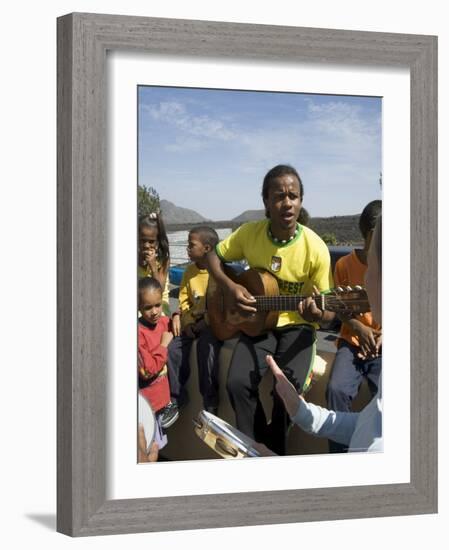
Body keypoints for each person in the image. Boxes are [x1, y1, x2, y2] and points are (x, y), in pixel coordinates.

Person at [205, 164, 334, 454]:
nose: (287, 203)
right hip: (259, 324)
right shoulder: (250, 233)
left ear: (301, 201)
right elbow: (213, 255)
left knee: (287, 394)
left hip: (298, 326)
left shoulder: (316, 248)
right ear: (265, 201)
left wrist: (318, 314)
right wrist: (228, 286)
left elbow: (329, 312)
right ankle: (250, 448)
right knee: (237, 383)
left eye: (294, 196)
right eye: (279, 196)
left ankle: (273, 455)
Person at [266, 214, 383, 453]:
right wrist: (301, 411)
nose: (364, 280)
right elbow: (369, 425)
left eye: (371, 268)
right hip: (350, 343)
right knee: (337, 389)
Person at [326, 200, 382, 452]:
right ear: (371, 233)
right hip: (351, 343)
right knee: (336, 390)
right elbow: (337, 307)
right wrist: (359, 328)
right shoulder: (344, 265)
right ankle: (342, 458)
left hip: (383, 345)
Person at [167, 226, 222, 413]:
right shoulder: (189, 272)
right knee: (173, 349)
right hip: (192, 323)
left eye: (192, 245)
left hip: (210, 324)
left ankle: (210, 402)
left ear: (206, 248)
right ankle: (176, 396)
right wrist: (188, 323)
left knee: (206, 352)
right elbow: (183, 299)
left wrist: (201, 324)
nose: (187, 249)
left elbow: (218, 306)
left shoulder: (219, 272)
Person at [138, 277, 179, 430]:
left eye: (158, 305)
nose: (155, 312)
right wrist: (163, 345)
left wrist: (176, 315)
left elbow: (180, 323)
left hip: (162, 404)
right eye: (148, 307)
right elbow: (147, 371)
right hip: (148, 406)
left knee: (157, 446)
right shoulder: (138, 333)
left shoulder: (163, 322)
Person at [138, 212, 180, 335]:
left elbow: (159, 290)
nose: (146, 245)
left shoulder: (163, 259)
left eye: (151, 241)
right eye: (142, 241)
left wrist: (153, 267)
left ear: (157, 242)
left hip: (159, 304)